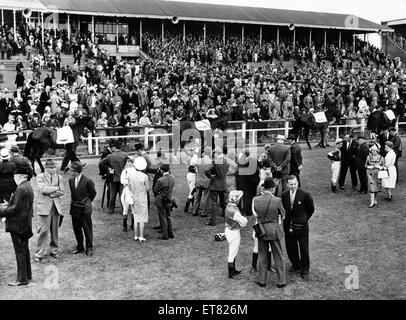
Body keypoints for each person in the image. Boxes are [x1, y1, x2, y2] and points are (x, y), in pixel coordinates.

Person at [0, 163, 34, 286]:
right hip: (25, 224)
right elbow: (19, 205)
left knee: (19, 252)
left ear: (19, 176)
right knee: (25, 250)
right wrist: (9, 202)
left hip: (18, 225)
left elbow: (15, 209)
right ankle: (27, 275)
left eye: (15, 176)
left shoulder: (20, 188)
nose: (14, 179)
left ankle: (22, 279)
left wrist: (2, 211)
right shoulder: (28, 186)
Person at [252, 178, 287, 289]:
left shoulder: (256, 199)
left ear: (264, 188)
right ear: (272, 188)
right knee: (278, 256)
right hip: (274, 230)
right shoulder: (277, 200)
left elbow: (255, 214)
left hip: (261, 230)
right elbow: (283, 214)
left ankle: (262, 280)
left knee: (262, 256)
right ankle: (281, 281)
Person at [282, 175, 315, 281]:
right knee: (291, 246)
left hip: (302, 226)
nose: (293, 186)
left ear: (298, 183)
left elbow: (311, 209)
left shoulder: (305, 194)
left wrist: (304, 219)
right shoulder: (284, 195)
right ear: (287, 184)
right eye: (291, 184)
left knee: (304, 247)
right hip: (288, 225)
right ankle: (295, 265)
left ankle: (305, 270)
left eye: (295, 184)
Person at [34, 159, 65, 262]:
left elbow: (62, 191)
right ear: (46, 168)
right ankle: (39, 254)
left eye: (54, 167)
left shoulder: (59, 177)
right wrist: (55, 188)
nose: (54, 169)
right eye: (51, 168)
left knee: (54, 230)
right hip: (44, 207)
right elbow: (43, 190)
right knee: (43, 230)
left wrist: (51, 193)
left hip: (56, 207)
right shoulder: (40, 177)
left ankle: (54, 250)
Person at [69, 162, 97, 256]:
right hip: (75, 208)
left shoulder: (88, 181)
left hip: (85, 209)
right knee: (76, 228)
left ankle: (89, 248)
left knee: (87, 229)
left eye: (71, 171)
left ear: (77, 172)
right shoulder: (71, 181)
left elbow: (92, 193)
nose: (70, 172)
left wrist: (87, 202)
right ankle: (80, 246)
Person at [99, 140, 128, 214]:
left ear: (114, 147)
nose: (111, 149)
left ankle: (111, 209)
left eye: (111, 147)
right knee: (122, 195)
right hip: (123, 177)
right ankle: (123, 209)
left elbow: (101, 163)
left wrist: (108, 169)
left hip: (113, 177)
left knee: (112, 195)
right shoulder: (125, 155)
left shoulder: (110, 156)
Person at [224, 190, 248, 279]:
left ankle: (233, 269)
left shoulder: (229, 206)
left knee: (233, 251)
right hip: (234, 232)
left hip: (228, 229)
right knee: (233, 252)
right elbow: (244, 222)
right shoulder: (234, 211)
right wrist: (245, 219)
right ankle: (231, 272)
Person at [127, 156, 150, 242]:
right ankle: (141, 236)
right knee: (142, 218)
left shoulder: (130, 176)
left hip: (134, 197)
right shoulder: (144, 176)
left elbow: (129, 188)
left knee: (136, 217)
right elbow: (147, 188)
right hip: (142, 198)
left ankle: (136, 235)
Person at [206, 147, 229, 226]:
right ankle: (227, 219)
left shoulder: (216, 161)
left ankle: (212, 221)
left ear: (216, 153)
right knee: (224, 203)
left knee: (214, 203)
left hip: (215, 184)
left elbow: (206, 170)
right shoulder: (226, 161)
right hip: (223, 183)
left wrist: (210, 176)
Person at [153, 164, 176, 240]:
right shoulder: (173, 177)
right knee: (168, 217)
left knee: (163, 217)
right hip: (169, 199)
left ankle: (165, 235)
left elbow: (155, 190)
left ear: (162, 170)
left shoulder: (161, 180)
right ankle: (171, 233)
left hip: (161, 200)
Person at [236, 150, 260, 216]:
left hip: (244, 181)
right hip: (253, 180)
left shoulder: (241, 161)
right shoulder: (254, 160)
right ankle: (250, 210)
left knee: (246, 196)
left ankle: (247, 210)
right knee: (252, 196)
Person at [193, 146, 213, 217]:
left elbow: (195, 168)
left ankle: (195, 211)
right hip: (206, 181)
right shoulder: (211, 162)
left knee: (197, 197)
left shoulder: (198, 160)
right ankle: (204, 212)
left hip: (199, 180)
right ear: (210, 153)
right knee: (206, 197)